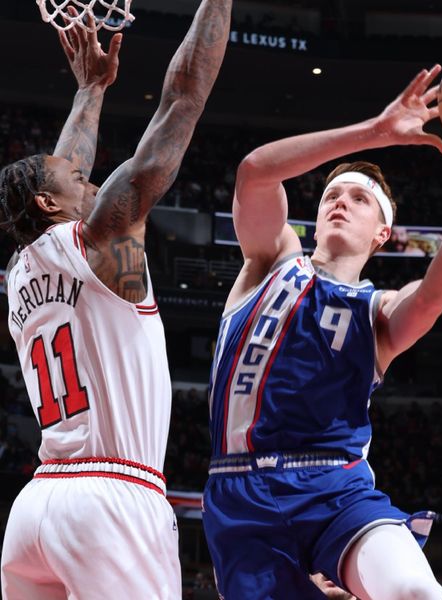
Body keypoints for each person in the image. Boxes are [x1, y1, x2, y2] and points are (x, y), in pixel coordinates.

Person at [203, 64, 442, 599]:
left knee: (415, 590)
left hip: (334, 487)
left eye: (358, 199)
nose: (340, 201)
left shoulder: (378, 311)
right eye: (331, 196)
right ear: (314, 220)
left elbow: (437, 290)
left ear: (383, 232)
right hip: (239, 494)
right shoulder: (269, 263)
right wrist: (376, 133)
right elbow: (255, 173)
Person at [0, 2, 232, 598]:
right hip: (112, 498)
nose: (91, 177)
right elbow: (182, 100)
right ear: (52, 204)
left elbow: (62, 169)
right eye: (79, 181)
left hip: (36, 508)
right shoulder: (105, 238)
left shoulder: (22, 268)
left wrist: (91, 90)